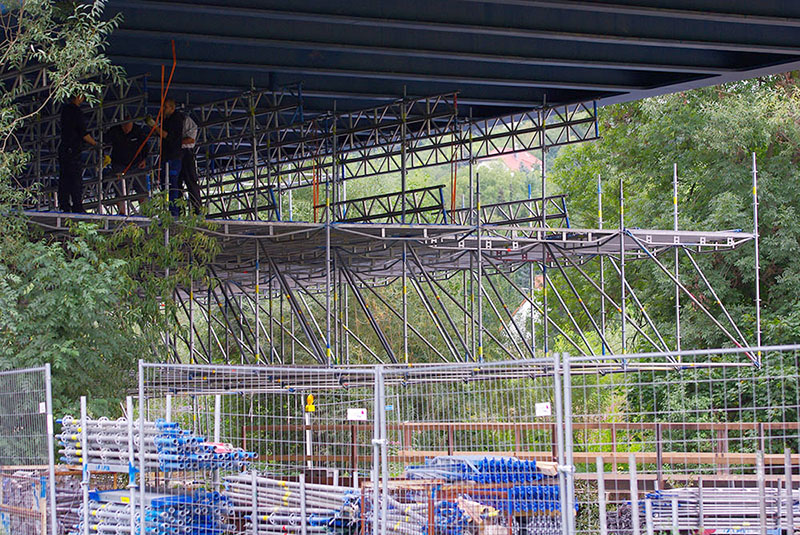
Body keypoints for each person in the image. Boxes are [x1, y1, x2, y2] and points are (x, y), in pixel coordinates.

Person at [58, 95, 97, 213]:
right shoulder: (76, 111)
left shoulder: (65, 110)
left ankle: (64, 204)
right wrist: (95, 144)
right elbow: (83, 133)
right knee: (75, 178)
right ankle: (77, 205)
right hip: (73, 149)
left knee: (64, 177)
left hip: (64, 148)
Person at [105, 116, 149, 214]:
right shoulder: (114, 131)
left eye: (128, 125)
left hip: (136, 164)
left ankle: (146, 212)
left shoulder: (138, 131)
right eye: (124, 125)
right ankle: (122, 212)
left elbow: (145, 147)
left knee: (142, 189)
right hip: (119, 164)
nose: (126, 128)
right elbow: (104, 142)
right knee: (119, 190)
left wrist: (144, 159)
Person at [148, 98, 183, 217]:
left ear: (172, 108)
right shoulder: (166, 120)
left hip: (173, 156)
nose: (163, 109)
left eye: (165, 107)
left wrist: (155, 127)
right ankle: (166, 211)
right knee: (164, 184)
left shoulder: (176, 120)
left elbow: (167, 135)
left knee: (172, 185)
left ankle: (174, 212)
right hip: (166, 156)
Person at [178, 112, 202, 214]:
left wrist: (174, 141)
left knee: (191, 182)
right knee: (176, 184)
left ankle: (197, 210)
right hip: (176, 153)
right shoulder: (167, 121)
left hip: (186, 153)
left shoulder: (186, 120)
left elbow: (191, 140)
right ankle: (179, 211)